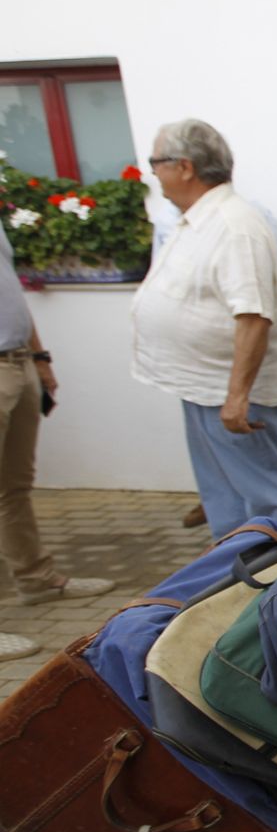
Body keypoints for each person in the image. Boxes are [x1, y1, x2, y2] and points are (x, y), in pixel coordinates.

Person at [130, 119, 277, 539]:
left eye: (157, 163)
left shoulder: (234, 225)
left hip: (232, 395)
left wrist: (236, 398)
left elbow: (253, 316)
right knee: (224, 500)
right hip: (204, 386)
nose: (153, 173)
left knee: (269, 498)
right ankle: (232, 586)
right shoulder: (199, 219)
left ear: (185, 167)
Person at [0, 225, 113, 634]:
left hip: (17, 360)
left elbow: (8, 286)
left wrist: (39, 355)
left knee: (13, 486)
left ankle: (36, 581)